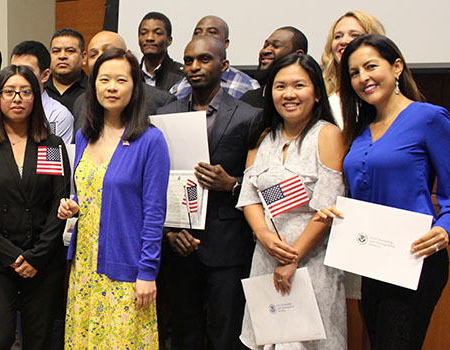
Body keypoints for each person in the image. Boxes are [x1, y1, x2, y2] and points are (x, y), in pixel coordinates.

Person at [319, 34, 450, 350]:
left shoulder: (428, 117)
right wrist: (336, 211)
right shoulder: (360, 129)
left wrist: (445, 227)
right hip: (372, 259)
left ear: (396, 67)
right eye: (353, 73)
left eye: (370, 66)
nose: (362, 78)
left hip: (416, 257)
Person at [58, 47, 170, 349]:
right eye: (104, 79)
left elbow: (154, 214)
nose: (111, 87)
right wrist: (72, 205)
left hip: (125, 267)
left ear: (135, 87)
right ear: (93, 85)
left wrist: (148, 272)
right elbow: (93, 193)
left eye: (121, 80)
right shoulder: (85, 135)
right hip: (84, 265)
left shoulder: (151, 141)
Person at [155, 35, 261, 350]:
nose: (194, 67)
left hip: (228, 244)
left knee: (225, 332)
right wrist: (171, 231)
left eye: (204, 59)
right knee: (185, 330)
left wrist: (231, 184)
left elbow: (258, 178)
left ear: (224, 66)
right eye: (188, 60)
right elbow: (158, 179)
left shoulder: (247, 115)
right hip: (181, 243)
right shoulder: (167, 113)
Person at [237, 53, 347, 349]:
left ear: (316, 92)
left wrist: (293, 257)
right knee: (267, 339)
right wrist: (263, 235)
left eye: (299, 85)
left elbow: (327, 207)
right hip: (265, 257)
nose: (288, 94)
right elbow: (250, 196)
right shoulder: (263, 137)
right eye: (280, 86)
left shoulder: (327, 135)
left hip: (311, 263)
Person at [0, 65, 70, 350]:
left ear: (36, 97)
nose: (17, 98)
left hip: (42, 260)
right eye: (9, 92)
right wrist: (10, 255)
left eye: (25, 91)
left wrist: (37, 256)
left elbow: (59, 202)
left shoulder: (51, 145)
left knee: (39, 339)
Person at [70, 31, 175, 131]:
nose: (100, 58)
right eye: (93, 55)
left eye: (108, 51)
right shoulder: (81, 102)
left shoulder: (161, 101)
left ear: (128, 55)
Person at [169, 16, 260, 100]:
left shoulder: (248, 86)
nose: (203, 35)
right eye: (197, 32)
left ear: (226, 43)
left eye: (212, 32)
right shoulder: (178, 88)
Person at [321, 11, 385, 128]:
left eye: (354, 35)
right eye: (338, 36)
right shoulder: (322, 92)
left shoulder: (382, 93)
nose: (344, 41)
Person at [10, 40, 75, 143]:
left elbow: (52, 156)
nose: (19, 76)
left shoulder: (57, 116)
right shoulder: (5, 107)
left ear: (45, 75)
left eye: (27, 71)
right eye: (14, 70)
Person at [240, 27, 308, 108]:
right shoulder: (248, 100)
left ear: (298, 55)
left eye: (276, 46)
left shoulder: (306, 99)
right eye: (265, 46)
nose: (265, 51)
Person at [138, 11, 183, 91]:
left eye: (158, 33)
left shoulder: (182, 77)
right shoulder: (130, 75)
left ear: (169, 40)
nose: (149, 38)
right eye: (144, 33)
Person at [46, 28, 88, 113]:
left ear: (83, 57)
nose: (62, 56)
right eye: (56, 51)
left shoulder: (94, 89)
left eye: (70, 51)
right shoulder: (39, 90)